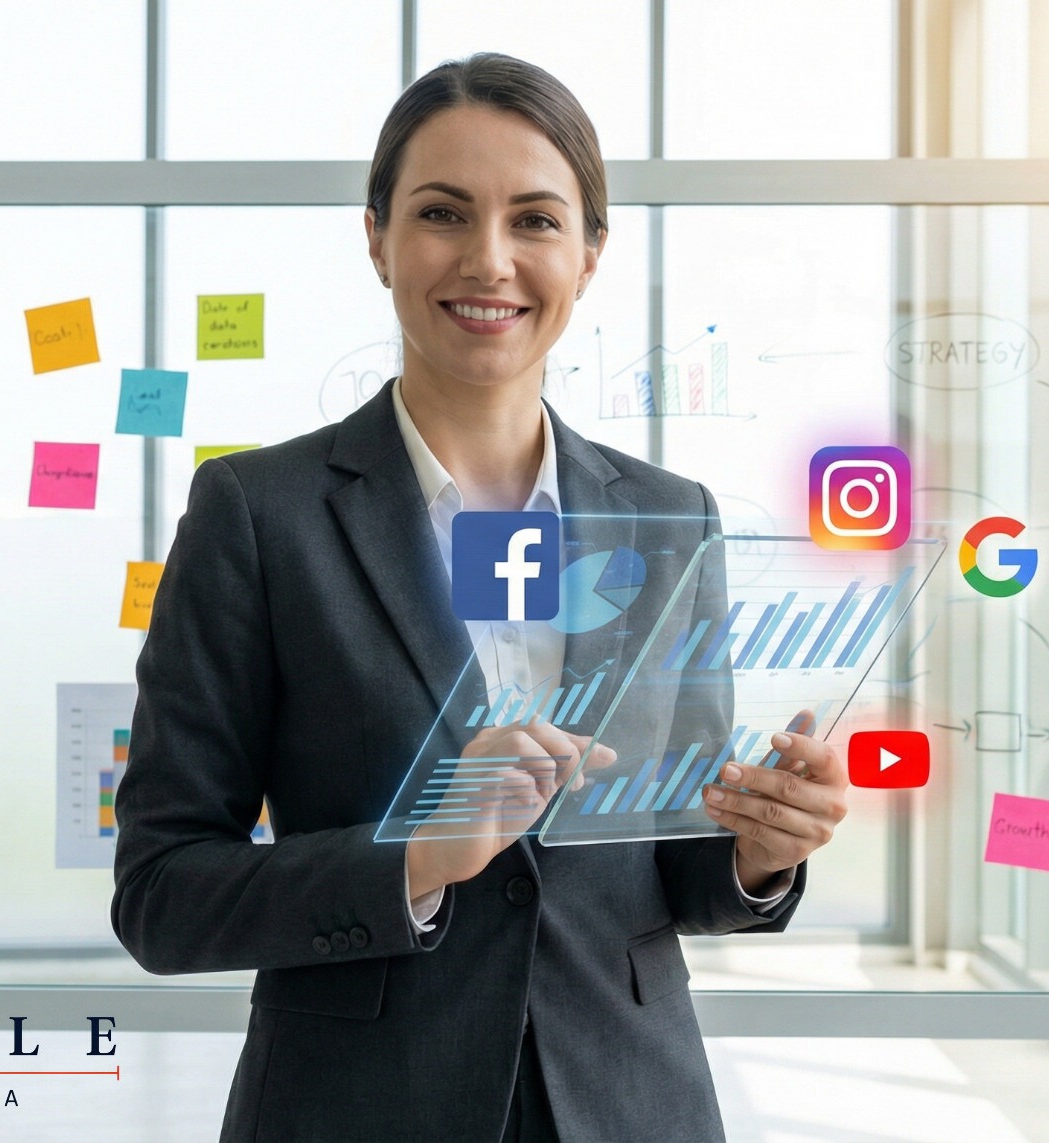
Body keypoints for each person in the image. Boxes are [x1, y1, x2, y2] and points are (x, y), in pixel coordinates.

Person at [110, 53, 850, 1143]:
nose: (489, 260)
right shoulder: (257, 514)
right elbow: (162, 893)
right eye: (442, 213)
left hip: (625, 1099)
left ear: (591, 253)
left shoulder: (670, 517)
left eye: (537, 220)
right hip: (354, 1108)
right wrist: (415, 856)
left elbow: (672, 865)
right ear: (376, 237)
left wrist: (759, 850)